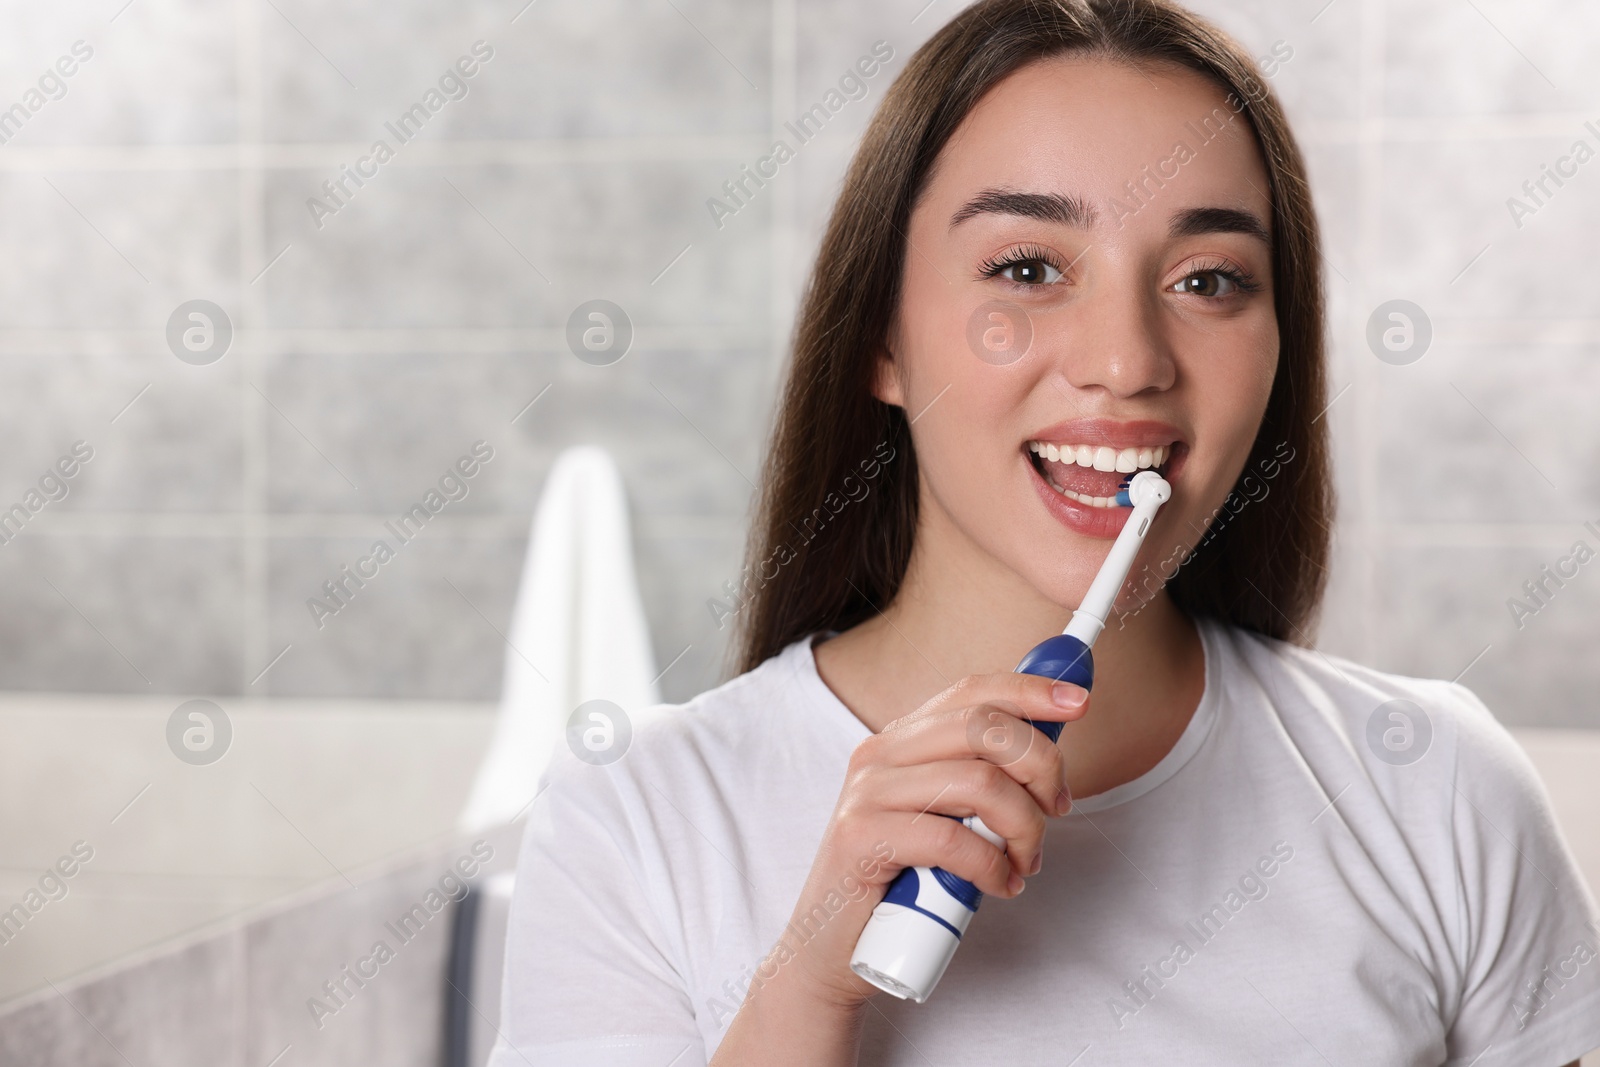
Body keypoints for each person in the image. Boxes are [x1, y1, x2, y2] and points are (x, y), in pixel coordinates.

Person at [489, 1, 1600, 1063]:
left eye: (1209, 279)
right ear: (881, 336)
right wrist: (808, 989)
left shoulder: (1438, 789)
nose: (1125, 361)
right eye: (1026, 268)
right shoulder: (634, 817)